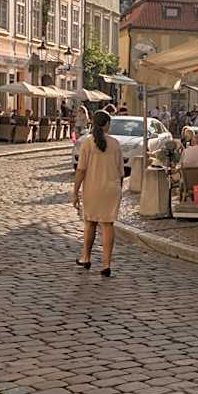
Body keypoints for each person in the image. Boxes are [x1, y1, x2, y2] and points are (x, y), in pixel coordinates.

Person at [73, 110, 123, 278]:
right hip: (111, 188)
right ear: (107, 124)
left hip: (93, 188)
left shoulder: (87, 143)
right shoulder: (115, 143)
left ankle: (86, 257)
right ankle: (106, 264)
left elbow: (81, 170)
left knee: (90, 223)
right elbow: (121, 172)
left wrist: (75, 192)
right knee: (108, 225)